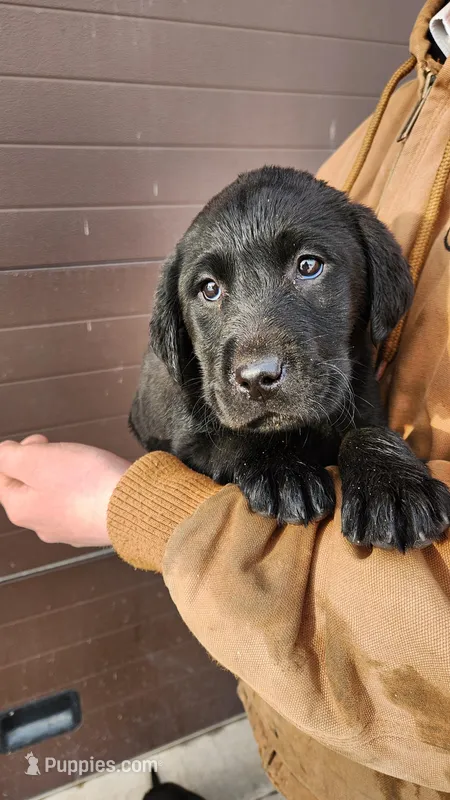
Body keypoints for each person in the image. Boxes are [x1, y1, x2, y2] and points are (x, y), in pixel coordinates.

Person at [1, 1, 450, 798]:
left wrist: (369, 446)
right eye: (210, 289)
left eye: (307, 267)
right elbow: (167, 424)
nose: (256, 355)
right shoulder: (416, 88)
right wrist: (246, 454)